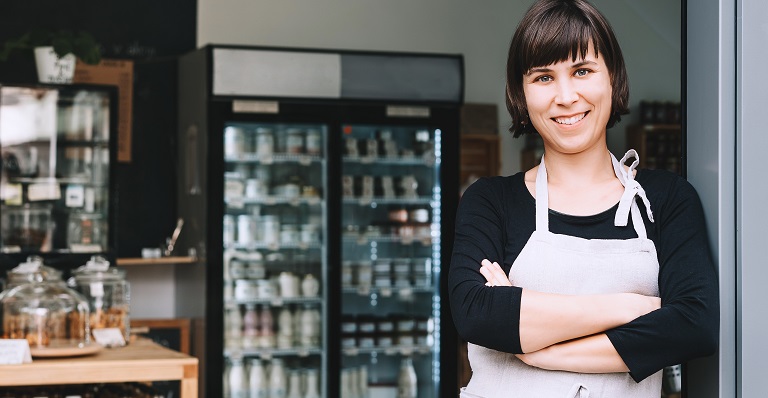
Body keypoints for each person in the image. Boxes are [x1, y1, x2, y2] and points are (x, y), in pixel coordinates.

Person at [448, 0, 719, 397]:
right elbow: (477, 314)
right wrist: (634, 309)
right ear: (521, 94)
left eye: (582, 71)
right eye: (543, 77)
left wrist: (542, 349)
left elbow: (694, 325)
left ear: (613, 79)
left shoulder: (666, 199)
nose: (565, 96)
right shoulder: (490, 202)